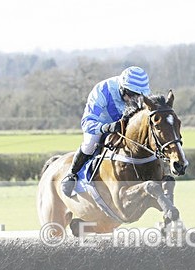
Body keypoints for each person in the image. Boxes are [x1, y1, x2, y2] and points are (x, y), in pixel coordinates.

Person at [60, 66, 152, 197]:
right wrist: (106, 127)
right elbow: (87, 122)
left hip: (126, 128)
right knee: (90, 144)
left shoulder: (140, 96)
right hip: (100, 125)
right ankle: (72, 174)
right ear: (122, 88)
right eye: (132, 95)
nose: (135, 100)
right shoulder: (102, 90)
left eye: (139, 96)